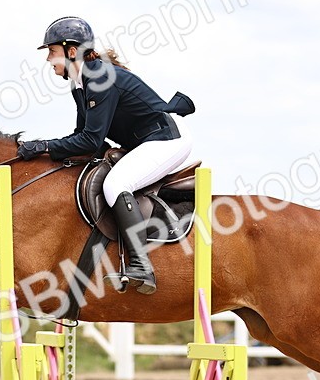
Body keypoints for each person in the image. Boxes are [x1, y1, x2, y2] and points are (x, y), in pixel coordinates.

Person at [16, 16, 195, 296]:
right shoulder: (79, 83)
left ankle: (141, 265)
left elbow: (89, 140)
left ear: (71, 51)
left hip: (167, 140)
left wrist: (43, 146)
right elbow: (84, 137)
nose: (49, 60)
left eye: (52, 52)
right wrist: (48, 152)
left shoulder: (98, 79)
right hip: (146, 140)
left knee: (115, 185)